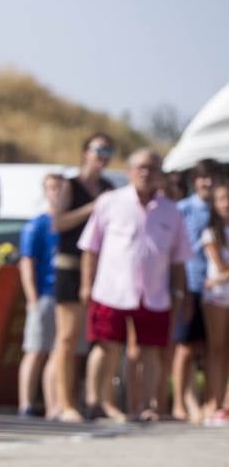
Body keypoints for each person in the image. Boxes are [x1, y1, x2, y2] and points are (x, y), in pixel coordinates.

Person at [78, 148, 191, 423]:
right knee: (106, 347)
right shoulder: (110, 202)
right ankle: (97, 401)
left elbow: (179, 259)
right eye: (140, 167)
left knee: (151, 351)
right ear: (129, 171)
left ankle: (148, 405)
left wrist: (180, 293)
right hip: (111, 290)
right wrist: (86, 284)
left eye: (152, 168)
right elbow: (90, 247)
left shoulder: (171, 211)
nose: (145, 173)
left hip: (153, 294)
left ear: (160, 174)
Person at [49, 133, 117, 422]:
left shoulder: (109, 188)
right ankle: (65, 403)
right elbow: (58, 222)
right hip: (70, 266)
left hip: (102, 269)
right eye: (98, 149)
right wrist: (93, 207)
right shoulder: (71, 185)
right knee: (67, 337)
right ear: (85, 152)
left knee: (105, 338)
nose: (103, 155)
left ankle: (98, 400)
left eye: (108, 150)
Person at [171, 160, 218, 421]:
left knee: (213, 348)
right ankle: (179, 403)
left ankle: (211, 402)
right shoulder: (183, 209)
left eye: (211, 177)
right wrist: (183, 290)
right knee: (186, 347)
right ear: (194, 181)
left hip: (217, 289)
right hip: (190, 285)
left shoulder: (220, 209)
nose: (207, 182)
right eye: (202, 178)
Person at [19, 174, 63, 417]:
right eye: (51, 188)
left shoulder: (69, 223)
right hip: (43, 295)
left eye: (60, 188)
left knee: (58, 352)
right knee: (35, 350)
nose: (56, 192)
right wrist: (32, 298)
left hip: (64, 297)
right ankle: (25, 403)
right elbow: (27, 263)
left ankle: (53, 406)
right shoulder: (37, 224)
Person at [197, 178, 229, 424]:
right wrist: (221, 277)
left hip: (219, 286)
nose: (226, 204)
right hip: (218, 297)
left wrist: (221, 277)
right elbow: (222, 268)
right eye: (222, 199)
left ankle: (225, 404)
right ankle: (214, 402)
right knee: (216, 350)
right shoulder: (211, 233)